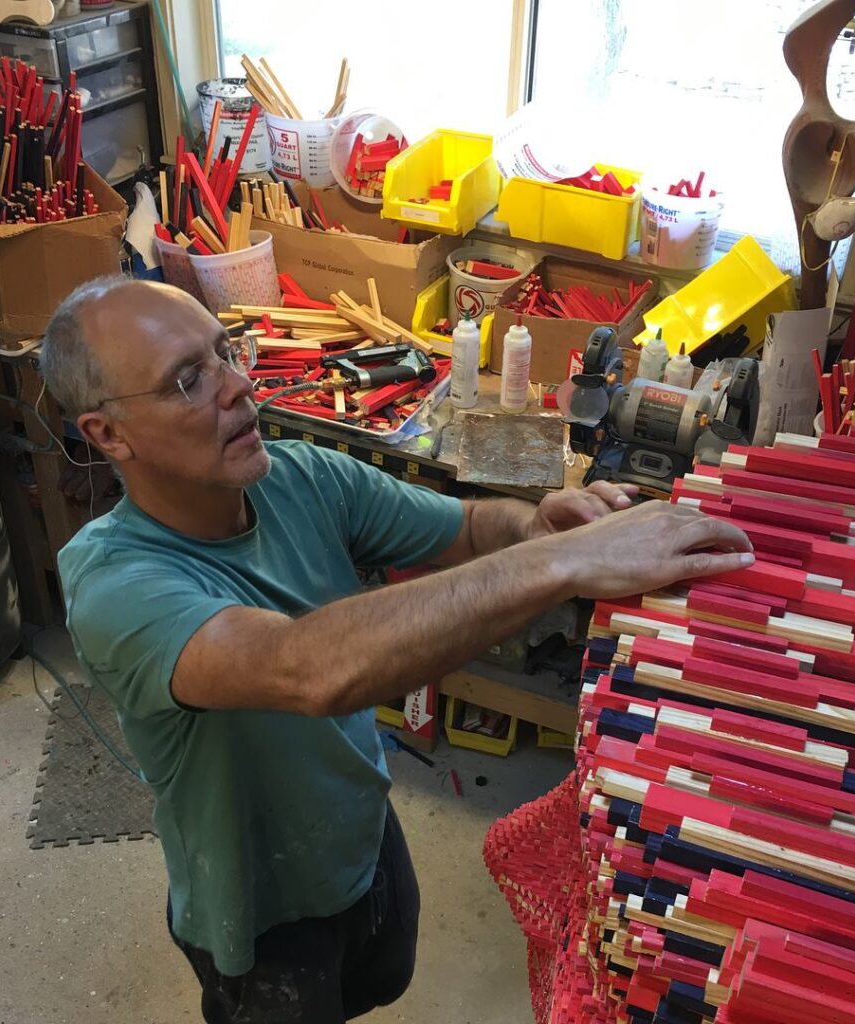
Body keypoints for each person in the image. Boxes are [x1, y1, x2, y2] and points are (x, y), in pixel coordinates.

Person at [40, 277, 754, 1024]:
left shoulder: (302, 477)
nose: (240, 386)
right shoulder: (114, 582)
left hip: (361, 833)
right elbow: (305, 669)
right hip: (258, 906)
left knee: (381, 976)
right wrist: (563, 563)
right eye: (188, 380)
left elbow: (473, 529)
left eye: (225, 353)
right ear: (108, 435)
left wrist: (541, 528)